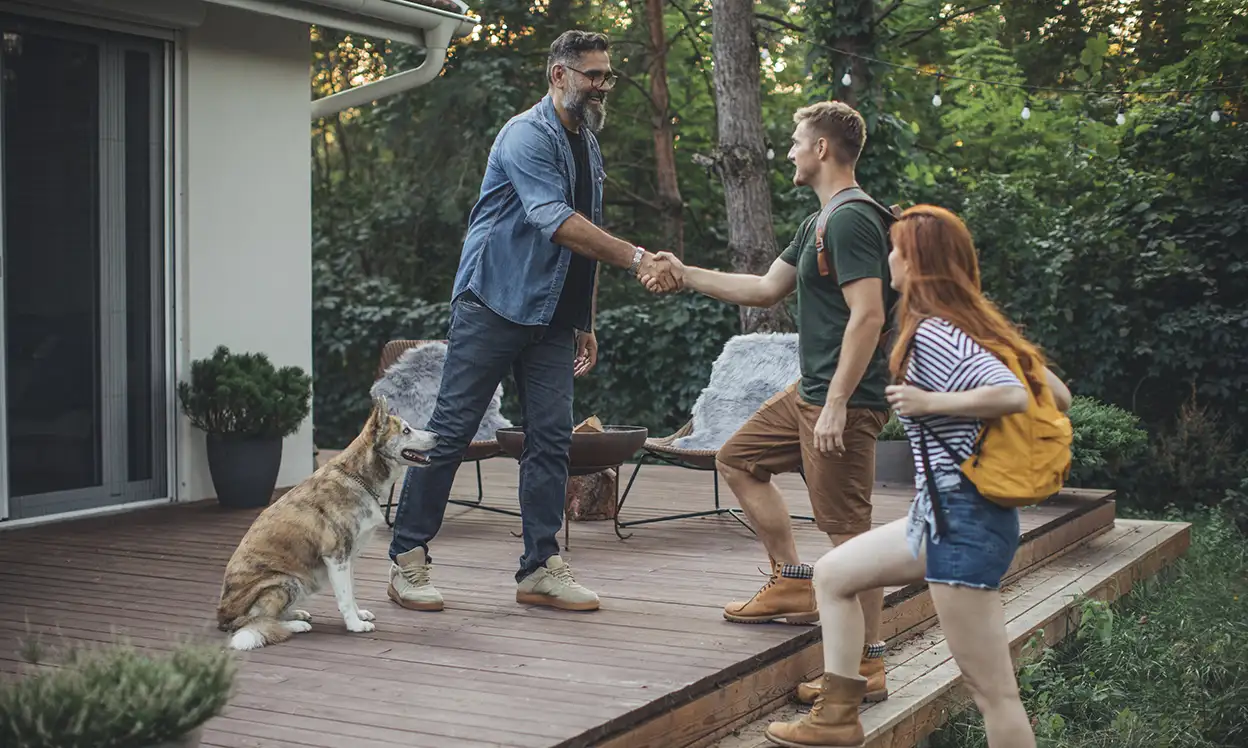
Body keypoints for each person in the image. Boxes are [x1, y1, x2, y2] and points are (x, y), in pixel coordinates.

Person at [385, 29, 679, 614]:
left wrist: (585, 320)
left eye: (607, 75)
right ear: (558, 75)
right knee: (450, 431)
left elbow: (585, 236)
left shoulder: (588, 144)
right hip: (493, 303)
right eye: (592, 75)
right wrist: (640, 258)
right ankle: (408, 559)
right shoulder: (526, 135)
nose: (602, 86)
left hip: (550, 319)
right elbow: (555, 220)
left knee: (551, 439)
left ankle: (540, 567)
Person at [763, 204, 1073, 748]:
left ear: (917, 261)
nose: (888, 259)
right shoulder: (978, 329)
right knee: (833, 575)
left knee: (993, 692)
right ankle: (838, 717)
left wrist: (932, 400)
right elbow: (1060, 396)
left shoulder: (936, 334)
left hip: (963, 524)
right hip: (942, 518)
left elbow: (1015, 395)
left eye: (896, 250)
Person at [642, 101, 895, 703]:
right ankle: (790, 580)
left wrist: (836, 403)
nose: (788, 151)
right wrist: (684, 273)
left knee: (851, 541)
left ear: (824, 150)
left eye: (795, 141)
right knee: (737, 458)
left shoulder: (854, 220)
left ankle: (871, 665)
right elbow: (762, 288)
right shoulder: (816, 223)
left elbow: (870, 315)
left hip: (844, 401)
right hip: (807, 394)